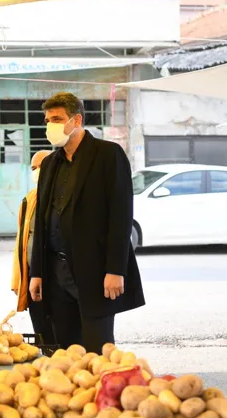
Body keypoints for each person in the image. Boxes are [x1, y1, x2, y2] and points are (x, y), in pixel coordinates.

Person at [28, 92, 144, 353]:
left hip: (95, 271)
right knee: (66, 350)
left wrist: (116, 269)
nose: (50, 126)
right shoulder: (49, 164)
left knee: (97, 348)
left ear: (76, 119)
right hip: (56, 272)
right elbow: (43, 221)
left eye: (57, 119)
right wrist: (37, 272)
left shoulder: (107, 155)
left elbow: (121, 215)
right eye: (48, 120)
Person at [11, 149, 55, 344]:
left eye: (41, 166)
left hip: (54, 276)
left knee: (57, 328)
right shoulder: (30, 198)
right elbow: (22, 237)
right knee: (40, 326)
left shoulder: (58, 197)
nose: (36, 171)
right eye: (33, 168)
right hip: (31, 274)